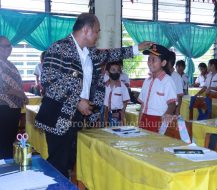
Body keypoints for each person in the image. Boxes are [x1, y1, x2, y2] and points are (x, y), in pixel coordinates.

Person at [34, 13, 152, 177]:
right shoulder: (59, 48)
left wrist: (137, 48)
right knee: (58, 162)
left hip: (78, 115)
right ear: (86, 30)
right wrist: (77, 101)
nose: (98, 35)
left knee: (70, 160)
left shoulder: (90, 52)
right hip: (58, 115)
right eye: (97, 31)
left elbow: (111, 54)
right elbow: (49, 82)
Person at [138, 44, 177, 133]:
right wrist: (139, 124)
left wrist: (167, 114)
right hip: (144, 119)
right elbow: (142, 105)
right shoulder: (147, 81)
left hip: (158, 121)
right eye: (149, 59)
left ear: (163, 63)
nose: (150, 62)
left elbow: (172, 103)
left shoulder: (167, 81)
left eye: (153, 59)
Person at [0, 36, 28, 159]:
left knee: (8, 141)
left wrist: (22, 95)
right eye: (4, 46)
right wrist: (21, 94)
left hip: (12, 108)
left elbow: (15, 84)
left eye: (9, 45)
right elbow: (4, 88)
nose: (8, 48)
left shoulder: (7, 63)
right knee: (4, 143)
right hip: (4, 108)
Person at [104, 61, 130, 127]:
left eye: (118, 70)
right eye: (113, 70)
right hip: (105, 115)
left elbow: (125, 101)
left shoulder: (122, 86)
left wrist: (122, 116)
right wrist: (104, 118)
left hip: (117, 115)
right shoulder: (104, 86)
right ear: (107, 72)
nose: (116, 72)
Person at [167, 51, 183, 115]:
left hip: (172, 109)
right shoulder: (164, 75)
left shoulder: (177, 77)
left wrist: (177, 111)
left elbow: (179, 96)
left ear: (169, 63)